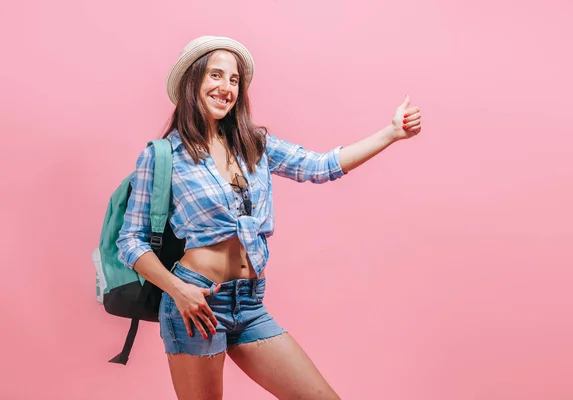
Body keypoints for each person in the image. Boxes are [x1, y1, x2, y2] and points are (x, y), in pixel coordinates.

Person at [116, 35, 422, 400]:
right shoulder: (164, 155)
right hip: (195, 303)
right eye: (216, 75)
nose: (226, 87)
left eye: (234, 80)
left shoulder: (255, 144)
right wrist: (178, 290)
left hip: (248, 302)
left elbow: (321, 166)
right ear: (192, 81)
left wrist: (391, 133)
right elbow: (129, 241)